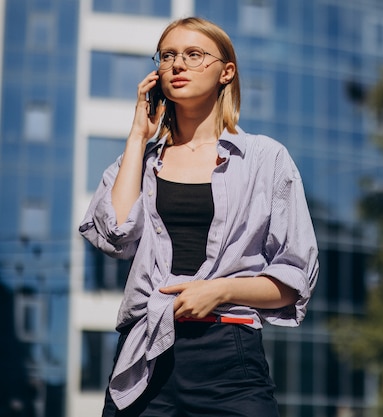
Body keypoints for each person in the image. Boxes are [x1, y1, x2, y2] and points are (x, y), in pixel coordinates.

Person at [79, 17, 319, 417]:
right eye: (168, 55)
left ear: (226, 72)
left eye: (194, 55)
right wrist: (139, 136)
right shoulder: (140, 161)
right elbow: (115, 236)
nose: (177, 65)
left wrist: (220, 290)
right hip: (145, 351)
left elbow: (293, 281)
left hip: (228, 352)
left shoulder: (264, 159)